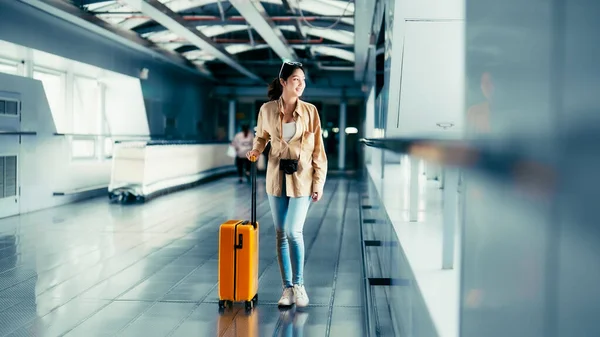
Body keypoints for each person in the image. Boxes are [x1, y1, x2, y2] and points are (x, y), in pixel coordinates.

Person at [246, 61, 327, 308]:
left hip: (302, 179)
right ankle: (287, 289)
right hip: (276, 178)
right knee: (281, 234)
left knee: (294, 231)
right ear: (283, 82)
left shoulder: (311, 111)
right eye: (295, 79)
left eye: (303, 80)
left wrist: (318, 183)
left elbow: (318, 150)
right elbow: (261, 136)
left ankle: (300, 285)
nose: (301, 84)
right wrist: (256, 150)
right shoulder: (267, 110)